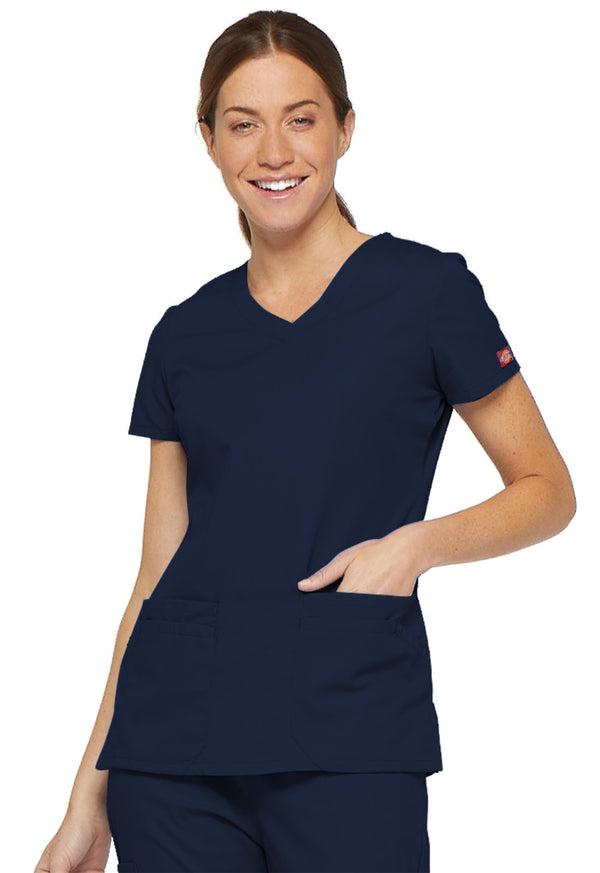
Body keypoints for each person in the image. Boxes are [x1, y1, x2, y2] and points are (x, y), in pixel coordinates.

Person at [34, 9, 576, 873]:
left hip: (349, 735)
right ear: (209, 141)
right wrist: (85, 794)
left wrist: (415, 547)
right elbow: (155, 577)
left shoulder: (428, 293)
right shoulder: (184, 334)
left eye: (302, 118)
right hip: (171, 757)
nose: (275, 152)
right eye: (243, 124)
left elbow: (548, 489)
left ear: (346, 128)